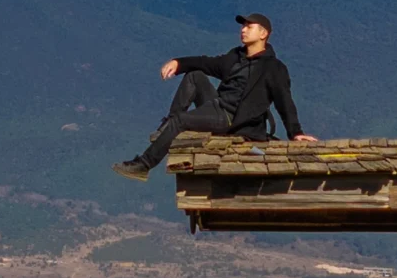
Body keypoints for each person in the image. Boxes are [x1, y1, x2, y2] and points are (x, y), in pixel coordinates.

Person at [113, 13, 317, 181]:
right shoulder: (235, 57)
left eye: (249, 26)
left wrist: (295, 132)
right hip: (217, 107)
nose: (243, 30)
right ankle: (169, 126)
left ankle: (144, 165)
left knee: (182, 120)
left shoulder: (273, 68)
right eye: (242, 26)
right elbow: (205, 63)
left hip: (232, 119)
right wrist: (178, 63)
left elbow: (284, 101)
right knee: (195, 75)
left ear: (263, 34)